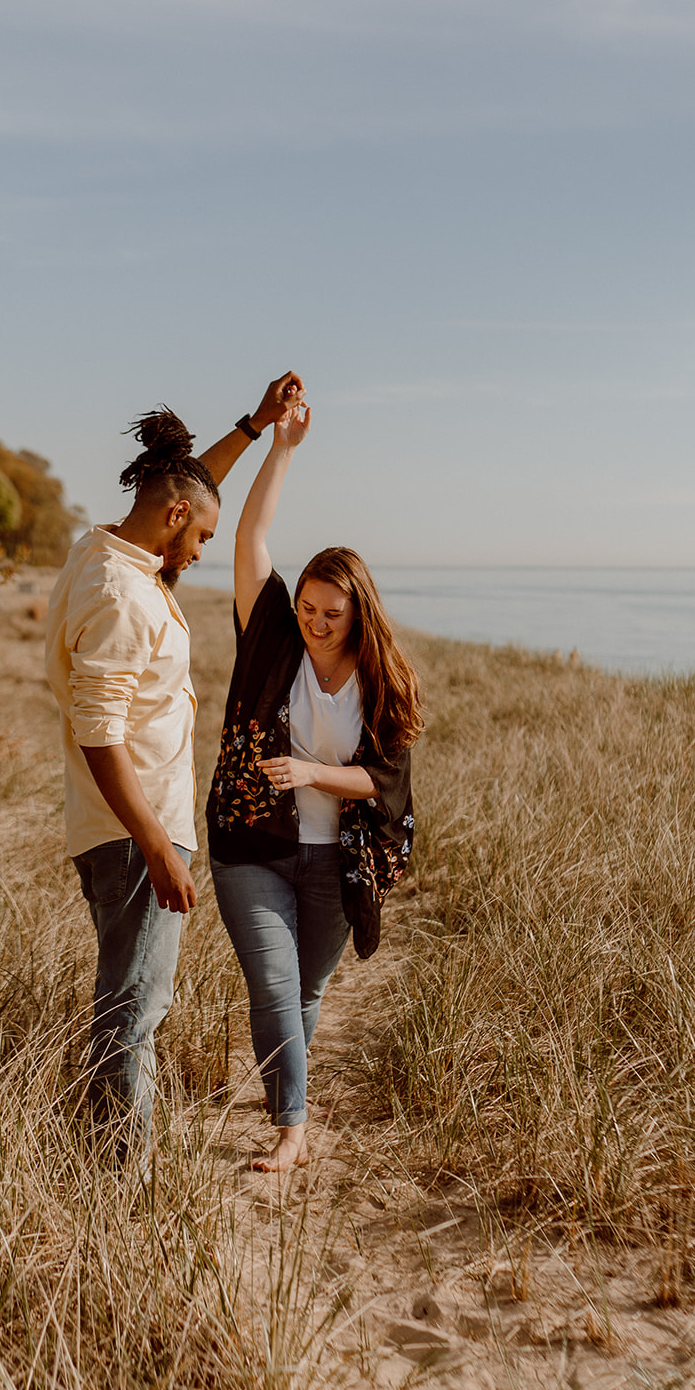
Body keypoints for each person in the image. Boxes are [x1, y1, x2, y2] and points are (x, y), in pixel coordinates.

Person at [46, 373, 305, 1174]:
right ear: (175, 519)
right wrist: (158, 844)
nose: (198, 555)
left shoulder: (103, 547)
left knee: (129, 998)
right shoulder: (122, 595)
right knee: (135, 1007)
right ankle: (123, 1177)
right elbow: (99, 731)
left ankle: (106, 1158)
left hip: (119, 828)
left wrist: (253, 426)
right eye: (197, 539)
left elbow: (194, 486)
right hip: (134, 833)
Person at [206, 402, 423, 1172]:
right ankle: (291, 1129)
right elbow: (249, 539)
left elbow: (385, 783)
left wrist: (310, 772)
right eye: (306, 608)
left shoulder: (383, 681)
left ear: (357, 611)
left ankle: (286, 1102)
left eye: (331, 613)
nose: (315, 623)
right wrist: (282, 449)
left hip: (337, 860)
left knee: (301, 994)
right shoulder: (270, 636)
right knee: (271, 987)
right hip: (251, 848)